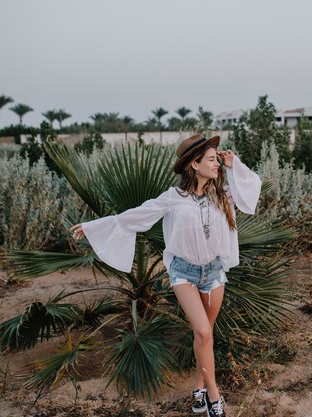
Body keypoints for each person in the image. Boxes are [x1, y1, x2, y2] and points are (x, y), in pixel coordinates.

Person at [69, 134, 261, 417]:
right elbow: (137, 215)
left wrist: (233, 165)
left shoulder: (222, 195)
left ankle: (198, 390)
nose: (216, 162)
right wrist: (95, 226)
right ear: (194, 165)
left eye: (217, 158)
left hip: (214, 273)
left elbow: (251, 191)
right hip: (183, 273)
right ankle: (214, 397)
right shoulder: (174, 198)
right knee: (204, 332)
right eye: (211, 159)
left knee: (203, 335)